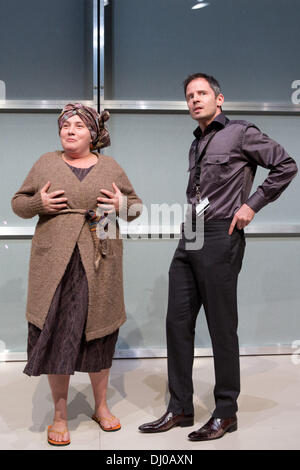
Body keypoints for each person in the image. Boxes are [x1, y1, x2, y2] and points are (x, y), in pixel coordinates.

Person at [138, 73, 298, 441]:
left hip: (221, 234)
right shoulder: (195, 144)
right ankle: (180, 408)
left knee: (221, 326)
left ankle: (226, 412)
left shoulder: (241, 133)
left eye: (202, 93)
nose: (195, 100)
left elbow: (286, 165)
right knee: (177, 323)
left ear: (219, 99)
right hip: (190, 234)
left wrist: (252, 205)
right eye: (190, 96)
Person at [11, 103, 142, 446]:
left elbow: (137, 206)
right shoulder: (46, 162)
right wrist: (38, 204)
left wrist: (120, 207)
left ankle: (101, 405)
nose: (70, 130)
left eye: (78, 126)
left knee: (99, 333)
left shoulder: (110, 166)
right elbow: (18, 202)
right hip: (55, 263)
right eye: (65, 125)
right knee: (57, 334)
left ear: (93, 134)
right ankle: (59, 413)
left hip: (100, 261)